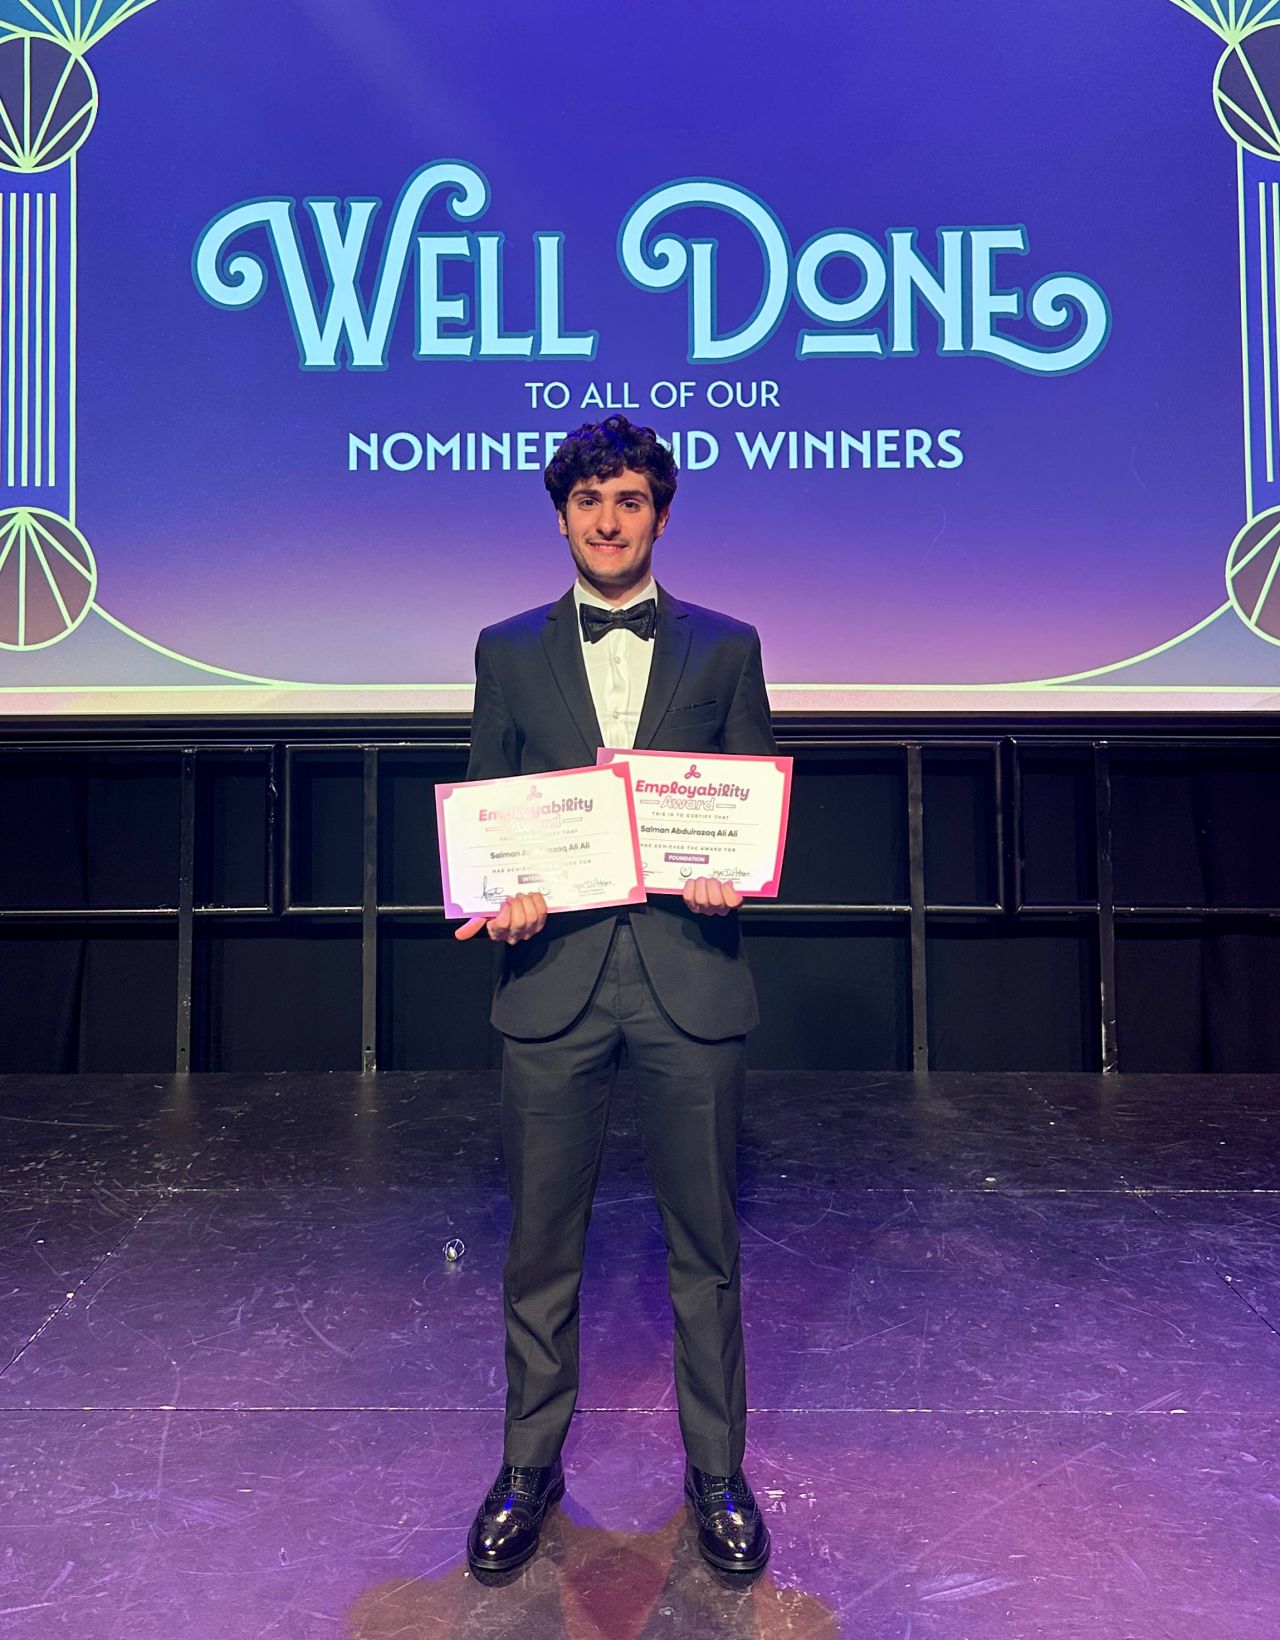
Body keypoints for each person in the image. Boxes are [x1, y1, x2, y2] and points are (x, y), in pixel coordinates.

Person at [456, 414, 776, 1577]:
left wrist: (729, 873)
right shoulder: (504, 648)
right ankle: (526, 1467)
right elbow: (491, 805)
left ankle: (717, 1471)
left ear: (658, 513)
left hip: (687, 980)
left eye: (630, 499)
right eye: (589, 500)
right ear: (560, 515)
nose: (607, 519)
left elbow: (748, 806)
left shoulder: (726, 646)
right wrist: (503, 895)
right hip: (552, 984)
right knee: (540, 1246)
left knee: (707, 1247)